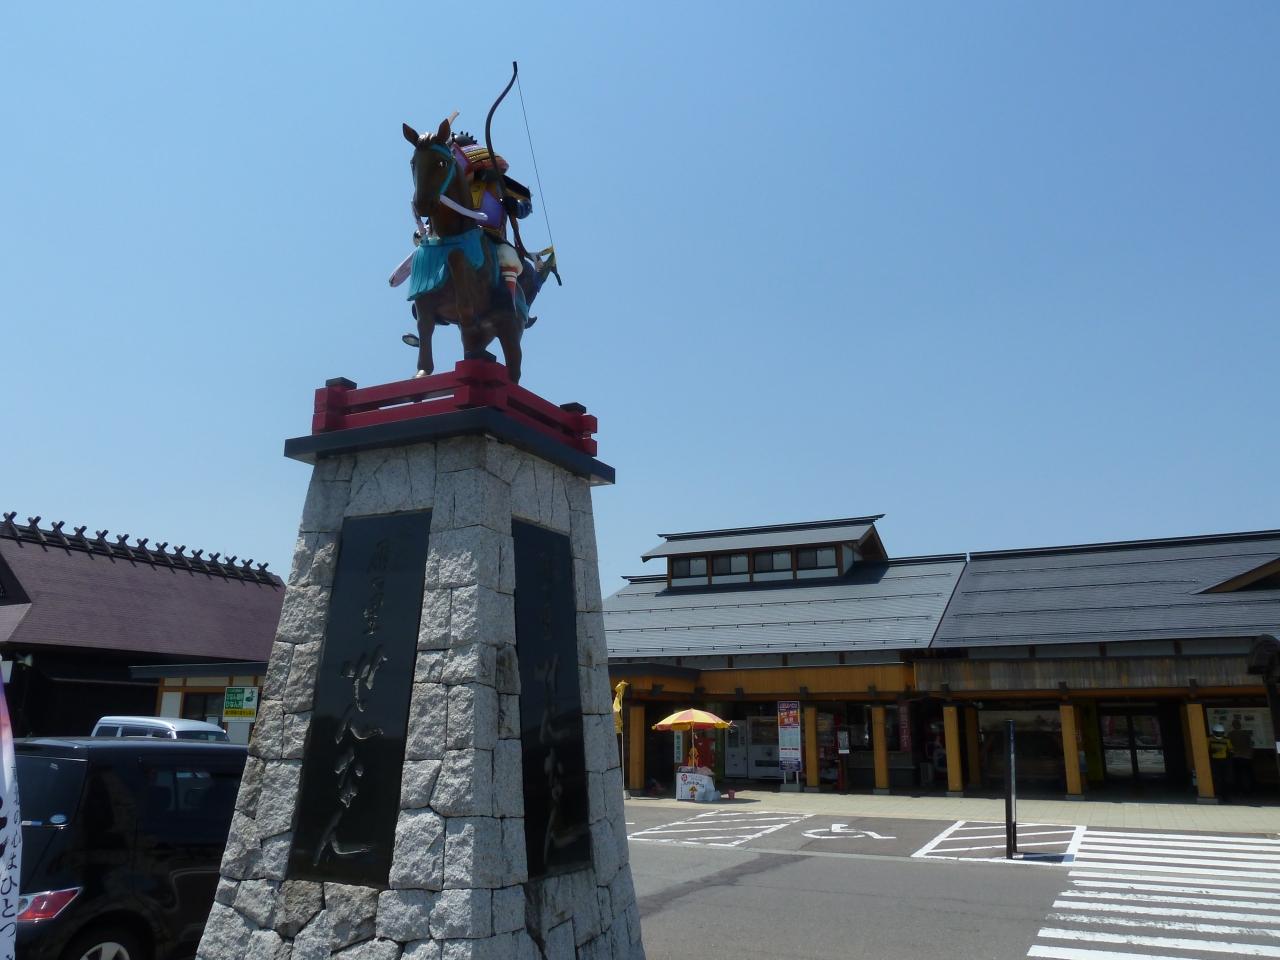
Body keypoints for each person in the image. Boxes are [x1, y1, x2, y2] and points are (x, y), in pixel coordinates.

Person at [1208, 723, 1234, 802]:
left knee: (1225, 779)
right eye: (1217, 733)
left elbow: (1231, 750)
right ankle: (1217, 793)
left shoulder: (1227, 740)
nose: (1219, 734)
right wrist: (1211, 751)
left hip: (1224, 761)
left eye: (1220, 733)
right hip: (1214, 761)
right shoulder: (1209, 739)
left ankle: (1225, 796)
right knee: (1216, 778)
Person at [1228, 718, 1255, 795]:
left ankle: (1239, 790)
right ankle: (1250, 790)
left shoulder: (1230, 734)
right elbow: (1251, 744)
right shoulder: (1246, 734)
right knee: (1248, 774)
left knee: (1237, 774)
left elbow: (1229, 746)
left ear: (1233, 726)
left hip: (1236, 756)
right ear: (1240, 725)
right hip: (1247, 756)